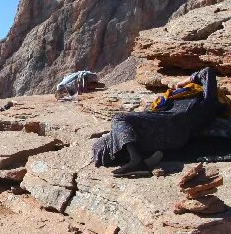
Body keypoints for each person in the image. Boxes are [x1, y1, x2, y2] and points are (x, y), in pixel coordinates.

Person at [91, 67, 221, 177]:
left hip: (172, 125)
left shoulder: (206, 100)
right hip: (161, 131)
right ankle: (143, 159)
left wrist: (182, 82)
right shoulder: (173, 100)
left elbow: (207, 71)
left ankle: (136, 160)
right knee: (100, 146)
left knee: (119, 118)